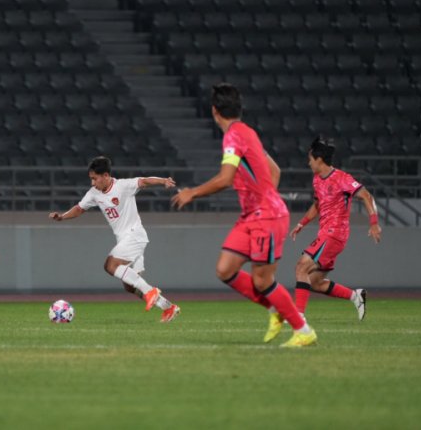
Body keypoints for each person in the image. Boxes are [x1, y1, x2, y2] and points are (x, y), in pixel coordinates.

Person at [171, 83, 316, 347]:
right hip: (252, 215)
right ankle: (275, 310)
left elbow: (226, 179)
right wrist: (261, 196)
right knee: (225, 269)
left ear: (214, 111)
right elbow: (275, 171)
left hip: (267, 217)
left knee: (262, 280)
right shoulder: (248, 132)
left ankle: (303, 329)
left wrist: (193, 192)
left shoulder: (234, 137)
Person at [48, 156, 181, 322]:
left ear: (105, 176)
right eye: (91, 179)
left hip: (134, 235)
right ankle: (168, 308)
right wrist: (62, 217)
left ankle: (150, 292)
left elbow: (144, 181)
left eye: (94, 179)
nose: (92, 183)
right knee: (130, 285)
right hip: (125, 240)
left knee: (110, 265)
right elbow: (79, 208)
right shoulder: (94, 193)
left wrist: (163, 181)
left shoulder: (123, 186)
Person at [288, 137, 382, 324]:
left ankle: (298, 317)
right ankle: (355, 296)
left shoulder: (342, 178)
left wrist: (374, 223)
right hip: (326, 234)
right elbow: (317, 205)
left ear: (319, 159)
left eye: (310, 159)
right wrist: (301, 224)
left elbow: (366, 195)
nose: (308, 163)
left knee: (301, 266)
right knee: (314, 282)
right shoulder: (317, 180)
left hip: (335, 233)